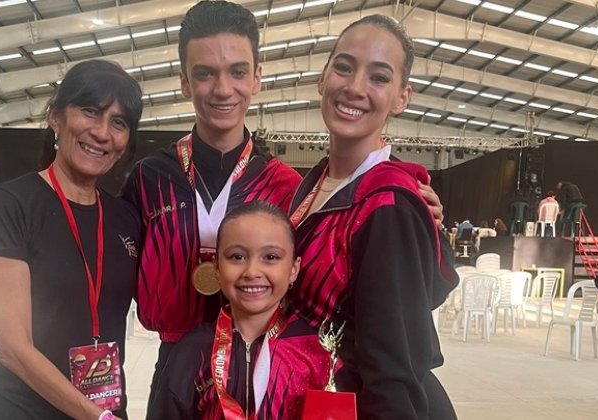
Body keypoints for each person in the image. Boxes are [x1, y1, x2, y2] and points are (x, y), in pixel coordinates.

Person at [121, 2, 447, 403]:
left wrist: (418, 214)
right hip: (181, 368)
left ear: (257, 78)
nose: (222, 88)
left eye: (237, 71)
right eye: (205, 73)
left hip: (287, 373)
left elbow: (398, 333)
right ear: (185, 82)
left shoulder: (285, 184)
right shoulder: (149, 178)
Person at [288, 15, 458, 419]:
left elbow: (394, 367)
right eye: (343, 67)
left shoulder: (389, 204)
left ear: (402, 98)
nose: (354, 87)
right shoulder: (314, 185)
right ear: (322, 78)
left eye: (379, 77)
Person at [0, 60, 142, 420]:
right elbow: (13, 349)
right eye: (90, 112)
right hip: (21, 408)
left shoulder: (126, 218)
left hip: (103, 405)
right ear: (55, 117)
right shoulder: (10, 205)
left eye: (119, 122)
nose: (102, 132)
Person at [147, 201, 332, 419]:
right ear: (217, 267)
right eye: (237, 257)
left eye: (270, 257)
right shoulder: (191, 350)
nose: (252, 271)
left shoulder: (316, 351)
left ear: (293, 269)